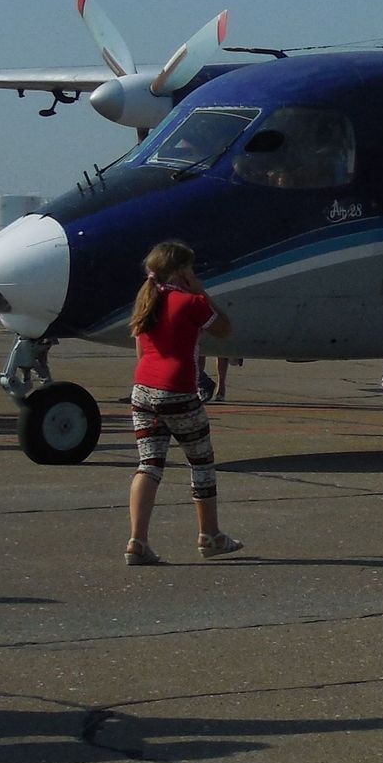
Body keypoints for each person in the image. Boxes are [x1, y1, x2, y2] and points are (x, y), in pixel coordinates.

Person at [125, 242, 243, 565]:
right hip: (178, 391)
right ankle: (210, 535)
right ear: (180, 272)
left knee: (149, 465)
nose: (195, 273)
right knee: (201, 463)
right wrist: (202, 293)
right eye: (191, 269)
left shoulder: (145, 300)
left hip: (143, 389)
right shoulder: (190, 302)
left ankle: (137, 540)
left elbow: (140, 351)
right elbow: (224, 328)